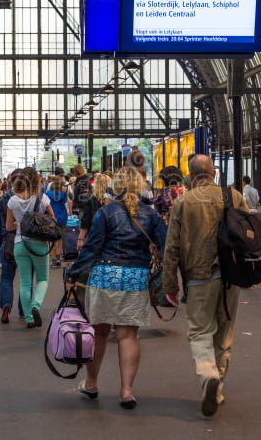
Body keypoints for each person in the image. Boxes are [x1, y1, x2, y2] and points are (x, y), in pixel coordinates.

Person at [65, 166, 166, 409]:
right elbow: (165, 249)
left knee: (99, 333)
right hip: (135, 278)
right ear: (140, 187)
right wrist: (165, 281)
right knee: (128, 335)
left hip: (104, 277)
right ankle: (127, 391)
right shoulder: (151, 216)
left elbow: (92, 248)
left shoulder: (105, 212)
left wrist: (73, 274)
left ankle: (91, 384)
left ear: (116, 188)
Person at [162, 155, 250, 417]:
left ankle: (208, 374)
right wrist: (248, 273)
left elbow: (172, 247)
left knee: (200, 332)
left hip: (199, 275)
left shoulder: (183, 202)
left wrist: (170, 285)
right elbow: (248, 234)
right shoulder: (233, 196)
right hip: (231, 276)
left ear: (190, 175)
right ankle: (218, 388)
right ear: (213, 171)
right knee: (224, 332)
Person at [6, 167, 55, 329]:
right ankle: (36, 306)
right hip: (39, 244)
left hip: (20, 244)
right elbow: (53, 221)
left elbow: (8, 227)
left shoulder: (13, 201)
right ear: (36, 180)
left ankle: (29, 319)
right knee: (42, 279)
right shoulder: (43, 198)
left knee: (25, 282)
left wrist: (21, 223)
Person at [0, 170, 24, 323]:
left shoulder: (2, 200)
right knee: (25, 278)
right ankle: (23, 309)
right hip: (25, 243)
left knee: (6, 277)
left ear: (9, 182)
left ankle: (6, 307)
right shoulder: (29, 200)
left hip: (7, 243)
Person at [77, 174, 111, 251]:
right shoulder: (114, 201)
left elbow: (85, 222)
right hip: (111, 236)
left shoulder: (91, 200)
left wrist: (80, 239)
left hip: (94, 235)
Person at [46, 175, 71, 268]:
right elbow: (69, 201)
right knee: (59, 239)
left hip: (51, 218)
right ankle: (58, 258)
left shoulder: (48, 193)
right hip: (62, 217)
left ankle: (53, 260)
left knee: (51, 240)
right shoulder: (64, 193)